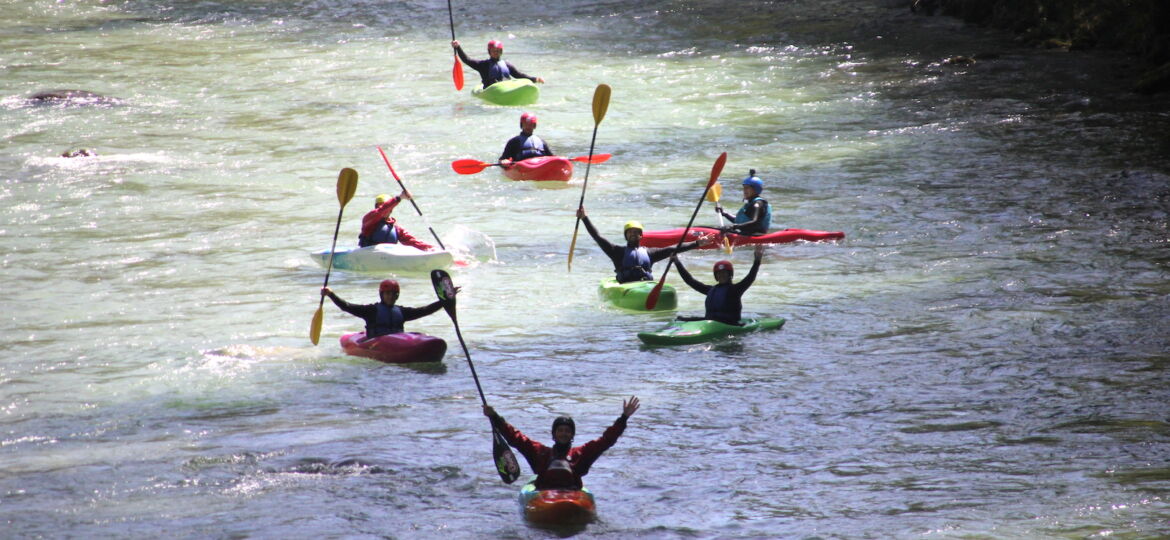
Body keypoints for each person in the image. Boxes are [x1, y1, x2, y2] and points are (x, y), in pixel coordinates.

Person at [483, 396, 640, 490]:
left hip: (572, 494)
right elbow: (515, 437)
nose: (564, 433)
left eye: (567, 431)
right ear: (554, 434)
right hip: (544, 494)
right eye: (560, 430)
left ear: (572, 435)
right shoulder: (540, 452)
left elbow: (606, 440)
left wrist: (623, 418)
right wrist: (495, 417)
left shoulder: (581, 453)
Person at [576, 206, 705, 283]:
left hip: (645, 286)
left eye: (636, 232)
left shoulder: (650, 253)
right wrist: (584, 218)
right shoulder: (616, 252)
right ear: (626, 235)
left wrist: (697, 243)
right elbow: (597, 237)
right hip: (625, 287)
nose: (632, 234)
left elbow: (674, 249)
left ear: (641, 235)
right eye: (630, 232)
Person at [321, 279, 452, 338]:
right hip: (376, 343)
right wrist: (331, 294)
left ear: (397, 295)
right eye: (387, 293)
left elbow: (425, 310)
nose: (391, 297)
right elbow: (346, 306)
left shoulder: (401, 311)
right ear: (382, 295)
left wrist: (445, 300)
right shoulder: (371, 311)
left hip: (398, 341)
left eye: (394, 294)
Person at [671, 244, 765, 325]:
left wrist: (757, 260)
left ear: (730, 275)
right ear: (716, 276)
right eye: (719, 274)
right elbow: (690, 281)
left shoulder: (736, 290)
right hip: (710, 323)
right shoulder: (710, 290)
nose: (721, 276)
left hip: (730, 324)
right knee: (680, 319)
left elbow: (750, 278)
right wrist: (677, 262)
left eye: (724, 273)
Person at [451, 39, 545, 89]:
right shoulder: (483, 65)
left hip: (506, 89)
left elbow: (518, 75)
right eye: (493, 51)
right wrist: (458, 47)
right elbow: (467, 60)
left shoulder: (507, 65)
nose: (496, 53)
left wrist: (535, 79)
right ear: (489, 51)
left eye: (498, 51)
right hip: (490, 91)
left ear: (501, 51)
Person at [358, 191, 435, 250]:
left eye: (384, 205)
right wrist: (399, 197)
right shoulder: (369, 219)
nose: (382, 208)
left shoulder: (395, 228)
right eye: (379, 206)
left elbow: (411, 241)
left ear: (391, 209)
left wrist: (430, 248)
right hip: (368, 252)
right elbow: (381, 210)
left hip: (387, 255)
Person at [715, 169, 772, 236]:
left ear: (756, 189)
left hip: (755, 235)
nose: (744, 191)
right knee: (718, 229)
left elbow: (755, 222)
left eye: (747, 188)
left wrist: (734, 227)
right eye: (744, 188)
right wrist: (724, 213)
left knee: (720, 231)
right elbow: (739, 221)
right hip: (746, 233)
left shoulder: (757, 204)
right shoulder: (751, 203)